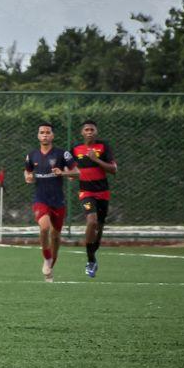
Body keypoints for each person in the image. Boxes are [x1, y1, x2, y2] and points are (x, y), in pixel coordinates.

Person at [57, 120, 118, 278]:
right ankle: (90, 260)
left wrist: (96, 159)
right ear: (82, 133)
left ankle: (92, 257)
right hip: (86, 192)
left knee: (99, 228)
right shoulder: (76, 149)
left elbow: (113, 169)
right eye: (86, 129)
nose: (89, 132)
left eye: (92, 129)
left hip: (103, 192)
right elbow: (67, 166)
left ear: (96, 132)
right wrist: (68, 173)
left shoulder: (104, 147)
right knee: (91, 221)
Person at [24, 122, 75, 282]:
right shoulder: (31, 155)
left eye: (48, 132)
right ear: (38, 136)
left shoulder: (62, 154)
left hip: (58, 201)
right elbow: (27, 172)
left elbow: (77, 172)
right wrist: (29, 178)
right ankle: (46, 258)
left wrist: (64, 173)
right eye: (42, 132)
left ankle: (51, 265)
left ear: (52, 136)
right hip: (41, 199)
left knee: (56, 236)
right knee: (45, 227)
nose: (45, 135)